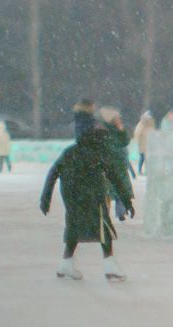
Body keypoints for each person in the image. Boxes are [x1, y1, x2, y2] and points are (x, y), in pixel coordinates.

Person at [41, 105, 134, 281]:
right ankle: (109, 266)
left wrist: (45, 198)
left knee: (74, 227)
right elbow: (115, 176)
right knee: (103, 227)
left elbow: (53, 172)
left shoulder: (71, 152)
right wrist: (126, 199)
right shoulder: (98, 153)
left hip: (72, 197)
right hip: (92, 196)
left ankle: (66, 262)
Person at [131, 109, 153, 179]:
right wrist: (139, 141)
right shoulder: (141, 124)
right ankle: (140, 170)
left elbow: (150, 131)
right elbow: (138, 133)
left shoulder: (148, 123)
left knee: (145, 158)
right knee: (143, 158)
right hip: (142, 144)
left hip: (147, 144)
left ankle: (146, 170)